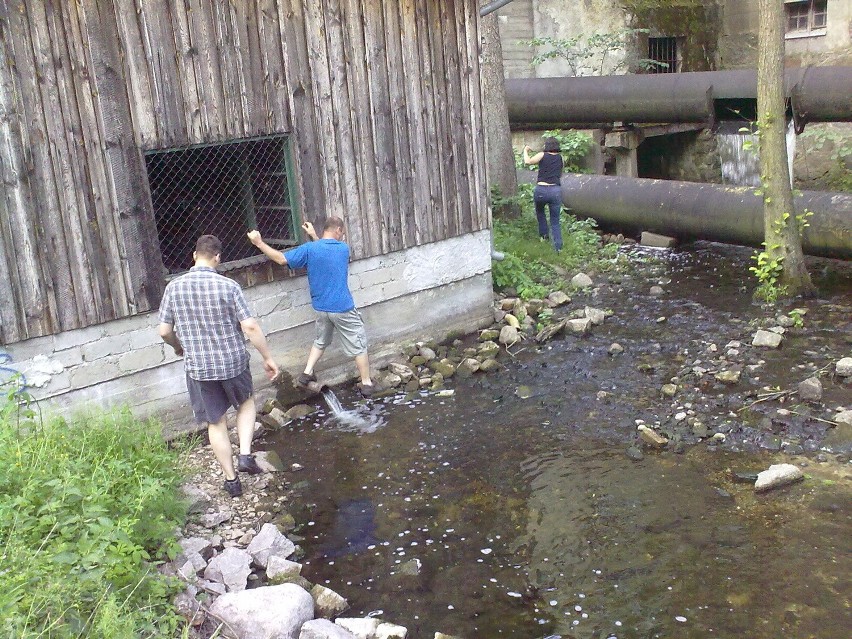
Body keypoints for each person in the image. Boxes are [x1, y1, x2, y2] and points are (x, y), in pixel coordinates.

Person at [158, 235, 279, 498]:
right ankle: (245, 455)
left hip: (198, 367)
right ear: (217, 258)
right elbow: (249, 326)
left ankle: (231, 481)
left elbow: (164, 331)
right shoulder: (229, 287)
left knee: (215, 421)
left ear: (194, 256)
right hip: (233, 362)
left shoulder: (174, 288)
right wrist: (267, 357)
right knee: (246, 402)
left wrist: (178, 347)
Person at [247, 217, 375, 397]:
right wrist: (259, 243)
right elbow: (325, 250)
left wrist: (259, 243)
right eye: (342, 232)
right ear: (338, 230)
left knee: (320, 341)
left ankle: (307, 373)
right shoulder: (343, 249)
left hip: (321, 308)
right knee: (359, 344)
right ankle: (367, 383)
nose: (342, 236)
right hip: (343, 308)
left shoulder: (310, 249)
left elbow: (282, 259)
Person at [523, 137, 564, 252]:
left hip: (541, 189)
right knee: (555, 220)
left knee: (540, 214)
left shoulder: (542, 155)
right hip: (555, 190)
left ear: (547, 146)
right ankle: (558, 247)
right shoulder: (561, 158)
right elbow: (560, 174)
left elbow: (528, 162)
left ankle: (544, 237)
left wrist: (525, 151)